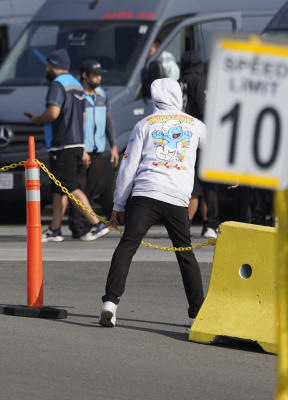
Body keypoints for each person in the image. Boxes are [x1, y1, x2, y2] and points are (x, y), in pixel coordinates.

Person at [99, 78, 206, 327]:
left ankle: (110, 303)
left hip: (146, 193)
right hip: (177, 197)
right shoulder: (195, 125)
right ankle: (198, 311)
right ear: (178, 96)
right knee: (185, 252)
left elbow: (128, 167)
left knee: (127, 245)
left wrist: (118, 205)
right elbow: (215, 152)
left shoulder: (144, 125)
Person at [26, 49, 107, 242]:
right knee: (59, 189)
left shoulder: (57, 85)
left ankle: (96, 223)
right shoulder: (77, 86)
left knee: (70, 187)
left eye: (47, 65)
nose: (46, 69)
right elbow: (84, 116)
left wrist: (38, 120)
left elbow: (53, 113)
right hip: (77, 142)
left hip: (62, 144)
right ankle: (55, 230)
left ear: (54, 65)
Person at [180, 50, 220, 239]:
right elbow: (205, 111)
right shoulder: (199, 81)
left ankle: (184, 225)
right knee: (209, 185)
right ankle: (210, 224)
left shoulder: (178, 83)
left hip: (181, 137)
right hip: (200, 136)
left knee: (190, 186)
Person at [79, 59, 119, 225]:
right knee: (79, 188)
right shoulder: (77, 95)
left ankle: (83, 222)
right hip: (82, 149)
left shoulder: (101, 94)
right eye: (95, 76)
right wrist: (81, 149)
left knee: (92, 188)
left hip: (99, 149)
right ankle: (80, 224)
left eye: (100, 75)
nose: (99, 79)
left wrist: (114, 145)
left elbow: (108, 120)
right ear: (84, 76)